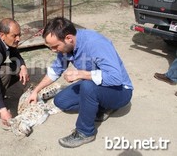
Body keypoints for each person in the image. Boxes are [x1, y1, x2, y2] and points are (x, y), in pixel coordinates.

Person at [27, 17, 133, 148]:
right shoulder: (67, 47)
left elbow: (115, 78)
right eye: (50, 47)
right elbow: (55, 71)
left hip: (120, 90)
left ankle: (85, 132)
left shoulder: (96, 43)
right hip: (96, 85)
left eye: (55, 46)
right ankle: (102, 108)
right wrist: (36, 91)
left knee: (87, 85)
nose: (54, 50)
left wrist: (81, 74)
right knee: (61, 101)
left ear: (69, 38)